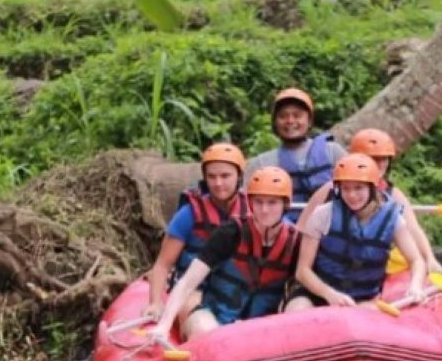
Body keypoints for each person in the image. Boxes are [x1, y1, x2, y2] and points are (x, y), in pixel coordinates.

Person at [151, 167, 299, 342]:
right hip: (215, 316)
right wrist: (164, 325)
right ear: (251, 203)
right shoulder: (230, 232)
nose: (264, 210)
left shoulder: (295, 241)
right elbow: (187, 282)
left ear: (286, 205)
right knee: (204, 329)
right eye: (258, 202)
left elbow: (300, 287)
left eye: (272, 203)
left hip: (261, 327)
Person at [293, 127, 441, 274]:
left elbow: (413, 229)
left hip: (366, 268)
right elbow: (301, 228)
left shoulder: (393, 194)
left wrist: (430, 258)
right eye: (374, 158)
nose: (380, 164)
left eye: (384, 158)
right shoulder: (331, 188)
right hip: (330, 265)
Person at [288, 153, 426, 311]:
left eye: (358, 188)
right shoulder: (323, 214)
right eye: (346, 188)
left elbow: (416, 260)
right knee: (297, 308)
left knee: (368, 312)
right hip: (317, 293)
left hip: (363, 300)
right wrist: (329, 294)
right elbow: (302, 271)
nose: (352, 195)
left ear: (372, 188)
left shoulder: (393, 220)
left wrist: (416, 285)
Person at [143, 142, 249, 322]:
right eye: (212, 177)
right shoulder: (189, 213)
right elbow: (163, 264)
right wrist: (155, 303)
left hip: (234, 291)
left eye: (225, 176)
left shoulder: (256, 211)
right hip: (193, 289)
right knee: (196, 314)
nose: (218, 183)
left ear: (239, 176)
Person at [244, 88, 347, 219]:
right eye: (283, 116)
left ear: (309, 121)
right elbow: (247, 207)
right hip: (283, 234)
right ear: (275, 123)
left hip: (329, 229)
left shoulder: (334, 152)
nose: (290, 121)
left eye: (297, 115)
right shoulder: (261, 163)